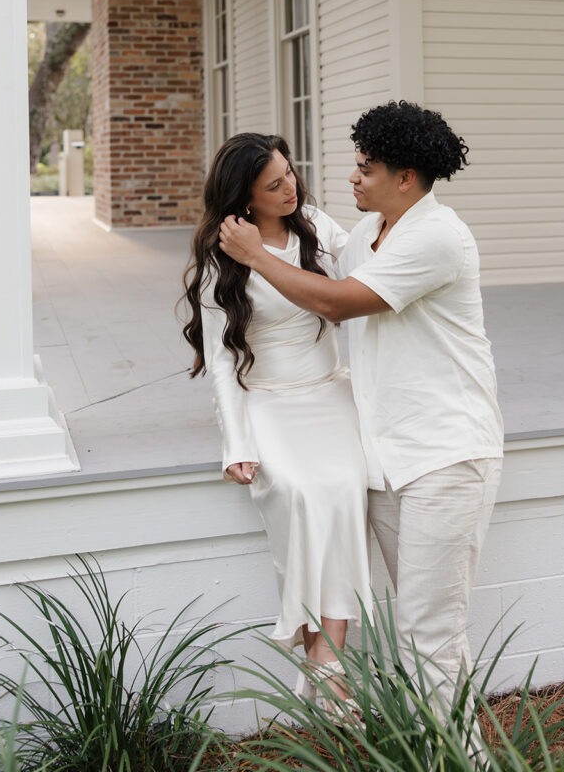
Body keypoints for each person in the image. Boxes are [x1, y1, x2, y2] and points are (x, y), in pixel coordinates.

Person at [218, 101, 504, 709]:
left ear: (404, 179)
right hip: (384, 455)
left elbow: (338, 302)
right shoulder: (368, 234)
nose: (350, 176)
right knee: (421, 635)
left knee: (430, 637)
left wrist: (255, 255)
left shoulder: (436, 237)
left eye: (365, 168)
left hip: (444, 456)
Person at [183, 132, 381, 708]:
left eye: (290, 174)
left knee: (344, 490)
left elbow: (370, 265)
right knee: (298, 493)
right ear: (245, 198)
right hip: (268, 399)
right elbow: (222, 364)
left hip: (329, 391)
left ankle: (327, 661)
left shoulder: (315, 225)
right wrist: (236, 443)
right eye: (274, 184)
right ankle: (327, 665)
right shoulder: (220, 262)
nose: (291, 187)